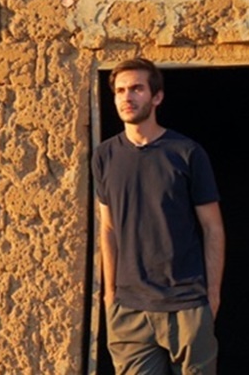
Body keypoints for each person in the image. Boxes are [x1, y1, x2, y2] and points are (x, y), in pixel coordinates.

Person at [92, 57, 225, 375]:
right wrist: (110, 294)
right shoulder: (105, 156)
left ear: (157, 97)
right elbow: (108, 228)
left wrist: (212, 297)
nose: (127, 97)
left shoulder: (186, 153)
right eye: (121, 90)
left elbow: (213, 228)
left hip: (186, 304)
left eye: (137, 88)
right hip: (129, 310)